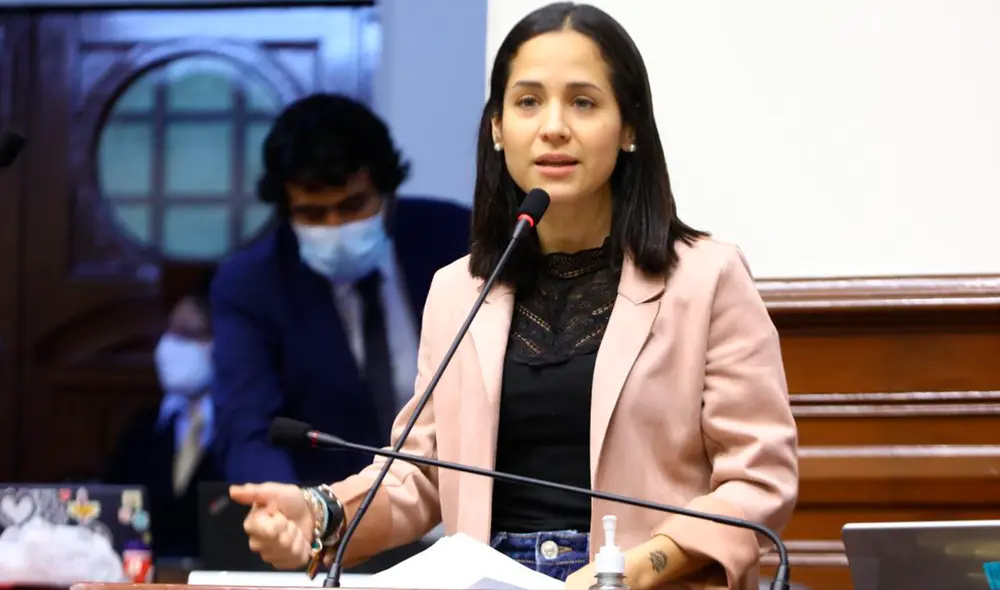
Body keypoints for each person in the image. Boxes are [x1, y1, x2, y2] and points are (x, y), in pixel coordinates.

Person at [229, 3, 799, 589]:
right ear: (498, 128)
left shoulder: (706, 279)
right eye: (528, 102)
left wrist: (635, 568)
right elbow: (421, 475)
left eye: (583, 101)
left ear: (629, 127)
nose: (553, 126)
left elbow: (758, 480)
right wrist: (322, 511)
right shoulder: (458, 289)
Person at [210, 93, 471, 485]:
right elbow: (249, 431)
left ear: (387, 193)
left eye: (353, 206)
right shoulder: (251, 284)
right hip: (331, 517)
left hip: (459, 503)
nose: (335, 226)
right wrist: (293, 512)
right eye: (313, 214)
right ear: (286, 212)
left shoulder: (454, 239)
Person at [105, 274, 221, 558]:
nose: (171, 346)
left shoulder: (243, 429)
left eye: (189, 333)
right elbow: (112, 506)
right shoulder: (142, 428)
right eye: (170, 333)